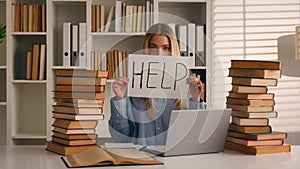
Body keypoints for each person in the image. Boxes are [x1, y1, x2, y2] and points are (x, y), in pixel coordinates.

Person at [108, 23, 204, 145]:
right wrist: (120, 99)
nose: (159, 54)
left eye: (165, 48)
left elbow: (197, 136)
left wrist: (195, 99)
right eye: (153, 47)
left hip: (175, 160)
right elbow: (120, 137)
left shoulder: (185, 89)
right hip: (143, 160)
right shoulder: (132, 89)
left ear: (172, 50)